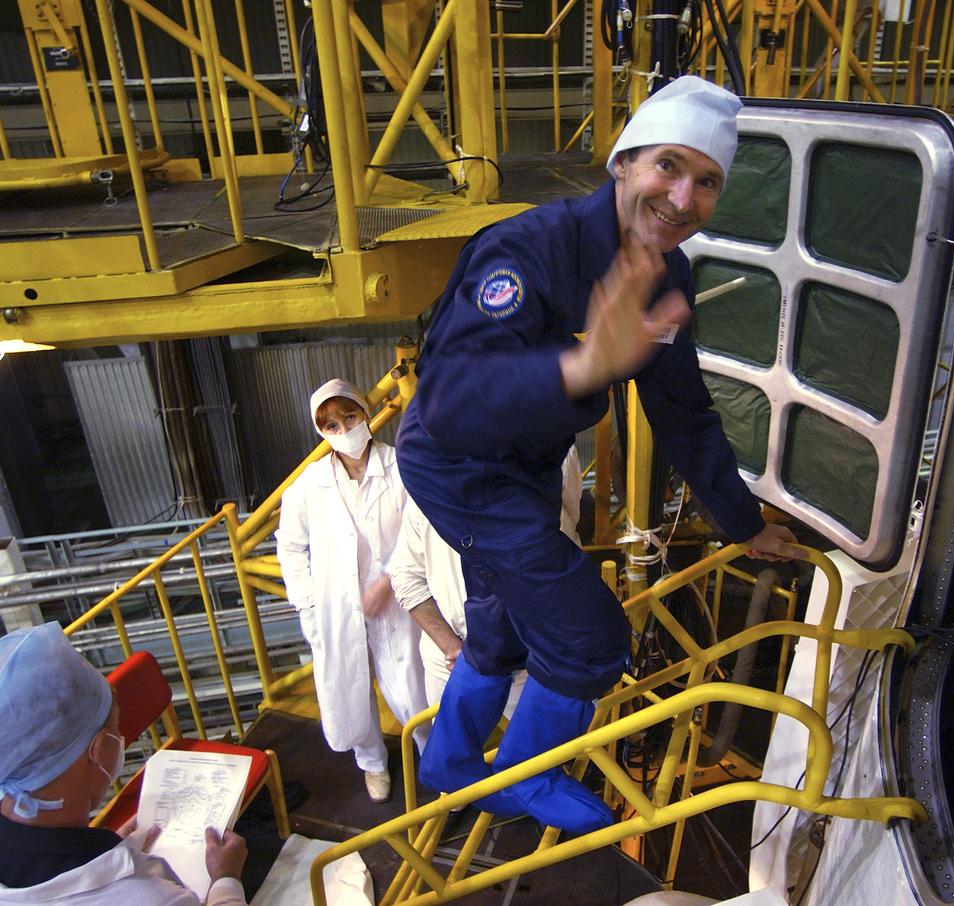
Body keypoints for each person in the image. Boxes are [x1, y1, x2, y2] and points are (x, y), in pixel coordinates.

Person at [396, 75, 804, 835]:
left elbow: (683, 413)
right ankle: (529, 776)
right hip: (458, 466)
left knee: (505, 624)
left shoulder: (666, 276)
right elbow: (448, 399)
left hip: (524, 465)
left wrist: (742, 523)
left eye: (707, 181)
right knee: (590, 638)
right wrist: (579, 371)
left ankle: (451, 764)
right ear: (622, 163)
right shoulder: (525, 251)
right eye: (668, 168)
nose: (685, 200)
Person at [0, 622, 248, 904]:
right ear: (100, 749)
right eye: (117, 729)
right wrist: (225, 879)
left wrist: (109, 849)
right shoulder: (150, 898)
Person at [276, 378, 429, 803]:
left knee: (411, 682)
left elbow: (421, 530)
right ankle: (373, 764)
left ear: (366, 414)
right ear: (320, 432)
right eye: (331, 425)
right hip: (336, 607)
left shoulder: (401, 467)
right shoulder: (309, 485)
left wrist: (389, 580)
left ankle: (432, 755)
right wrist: (309, 602)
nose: (344, 430)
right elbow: (289, 545)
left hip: (398, 598)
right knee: (348, 686)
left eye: (350, 417)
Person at [388, 448, 583, 708]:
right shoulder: (427, 486)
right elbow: (406, 577)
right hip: (452, 658)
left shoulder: (556, 449)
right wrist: (452, 648)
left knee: (549, 748)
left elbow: (569, 521)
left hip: (538, 656)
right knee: (452, 745)